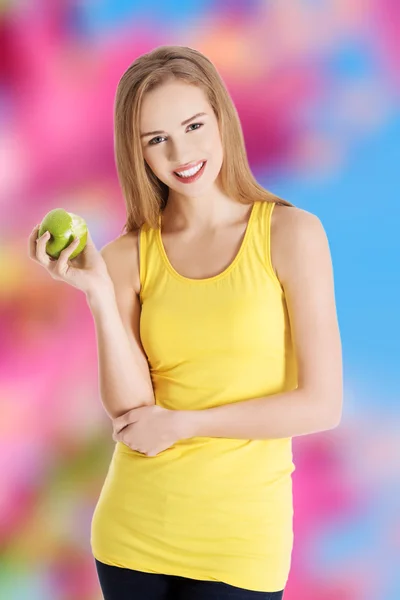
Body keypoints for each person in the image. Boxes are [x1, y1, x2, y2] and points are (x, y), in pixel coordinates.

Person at [29, 45, 343, 600]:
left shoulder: (293, 235)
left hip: (240, 544)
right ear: (139, 152)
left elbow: (321, 404)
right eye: (156, 139)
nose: (181, 152)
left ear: (221, 118)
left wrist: (182, 424)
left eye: (193, 125)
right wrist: (99, 293)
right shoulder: (125, 256)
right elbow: (131, 410)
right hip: (133, 536)